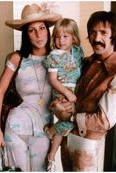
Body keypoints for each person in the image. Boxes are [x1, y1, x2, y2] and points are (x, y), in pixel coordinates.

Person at [50, 11, 116, 171]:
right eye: (93, 32)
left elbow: (104, 121)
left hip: (86, 147)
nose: (96, 38)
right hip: (67, 140)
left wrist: (70, 117)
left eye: (103, 33)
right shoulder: (87, 62)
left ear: (113, 36)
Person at [0, 3, 61, 171]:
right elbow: (0, 91)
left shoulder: (58, 60)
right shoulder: (17, 58)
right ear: (26, 34)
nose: (39, 35)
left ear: (48, 30)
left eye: (42, 28)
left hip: (44, 129)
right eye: (32, 30)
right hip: (16, 126)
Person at [42, 18, 83, 171]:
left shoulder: (77, 51)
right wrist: (66, 93)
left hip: (74, 91)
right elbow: (53, 80)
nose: (61, 40)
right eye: (57, 37)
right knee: (68, 118)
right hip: (60, 91)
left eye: (65, 36)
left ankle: (51, 134)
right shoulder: (54, 56)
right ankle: (52, 154)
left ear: (73, 37)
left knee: (71, 121)